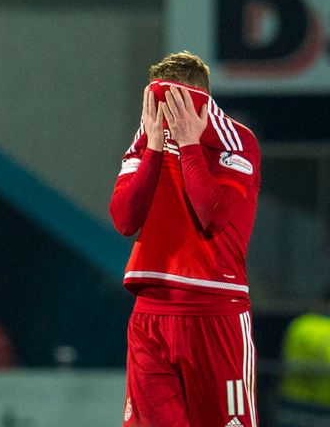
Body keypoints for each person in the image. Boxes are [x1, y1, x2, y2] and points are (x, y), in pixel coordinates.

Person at [109, 51, 261, 427]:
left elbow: (213, 215)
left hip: (215, 311)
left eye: (177, 103)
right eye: (159, 103)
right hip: (151, 314)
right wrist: (156, 148)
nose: (168, 113)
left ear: (201, 101)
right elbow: (124, 219)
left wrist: (191, 146)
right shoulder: (146, 141)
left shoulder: (237, 140)